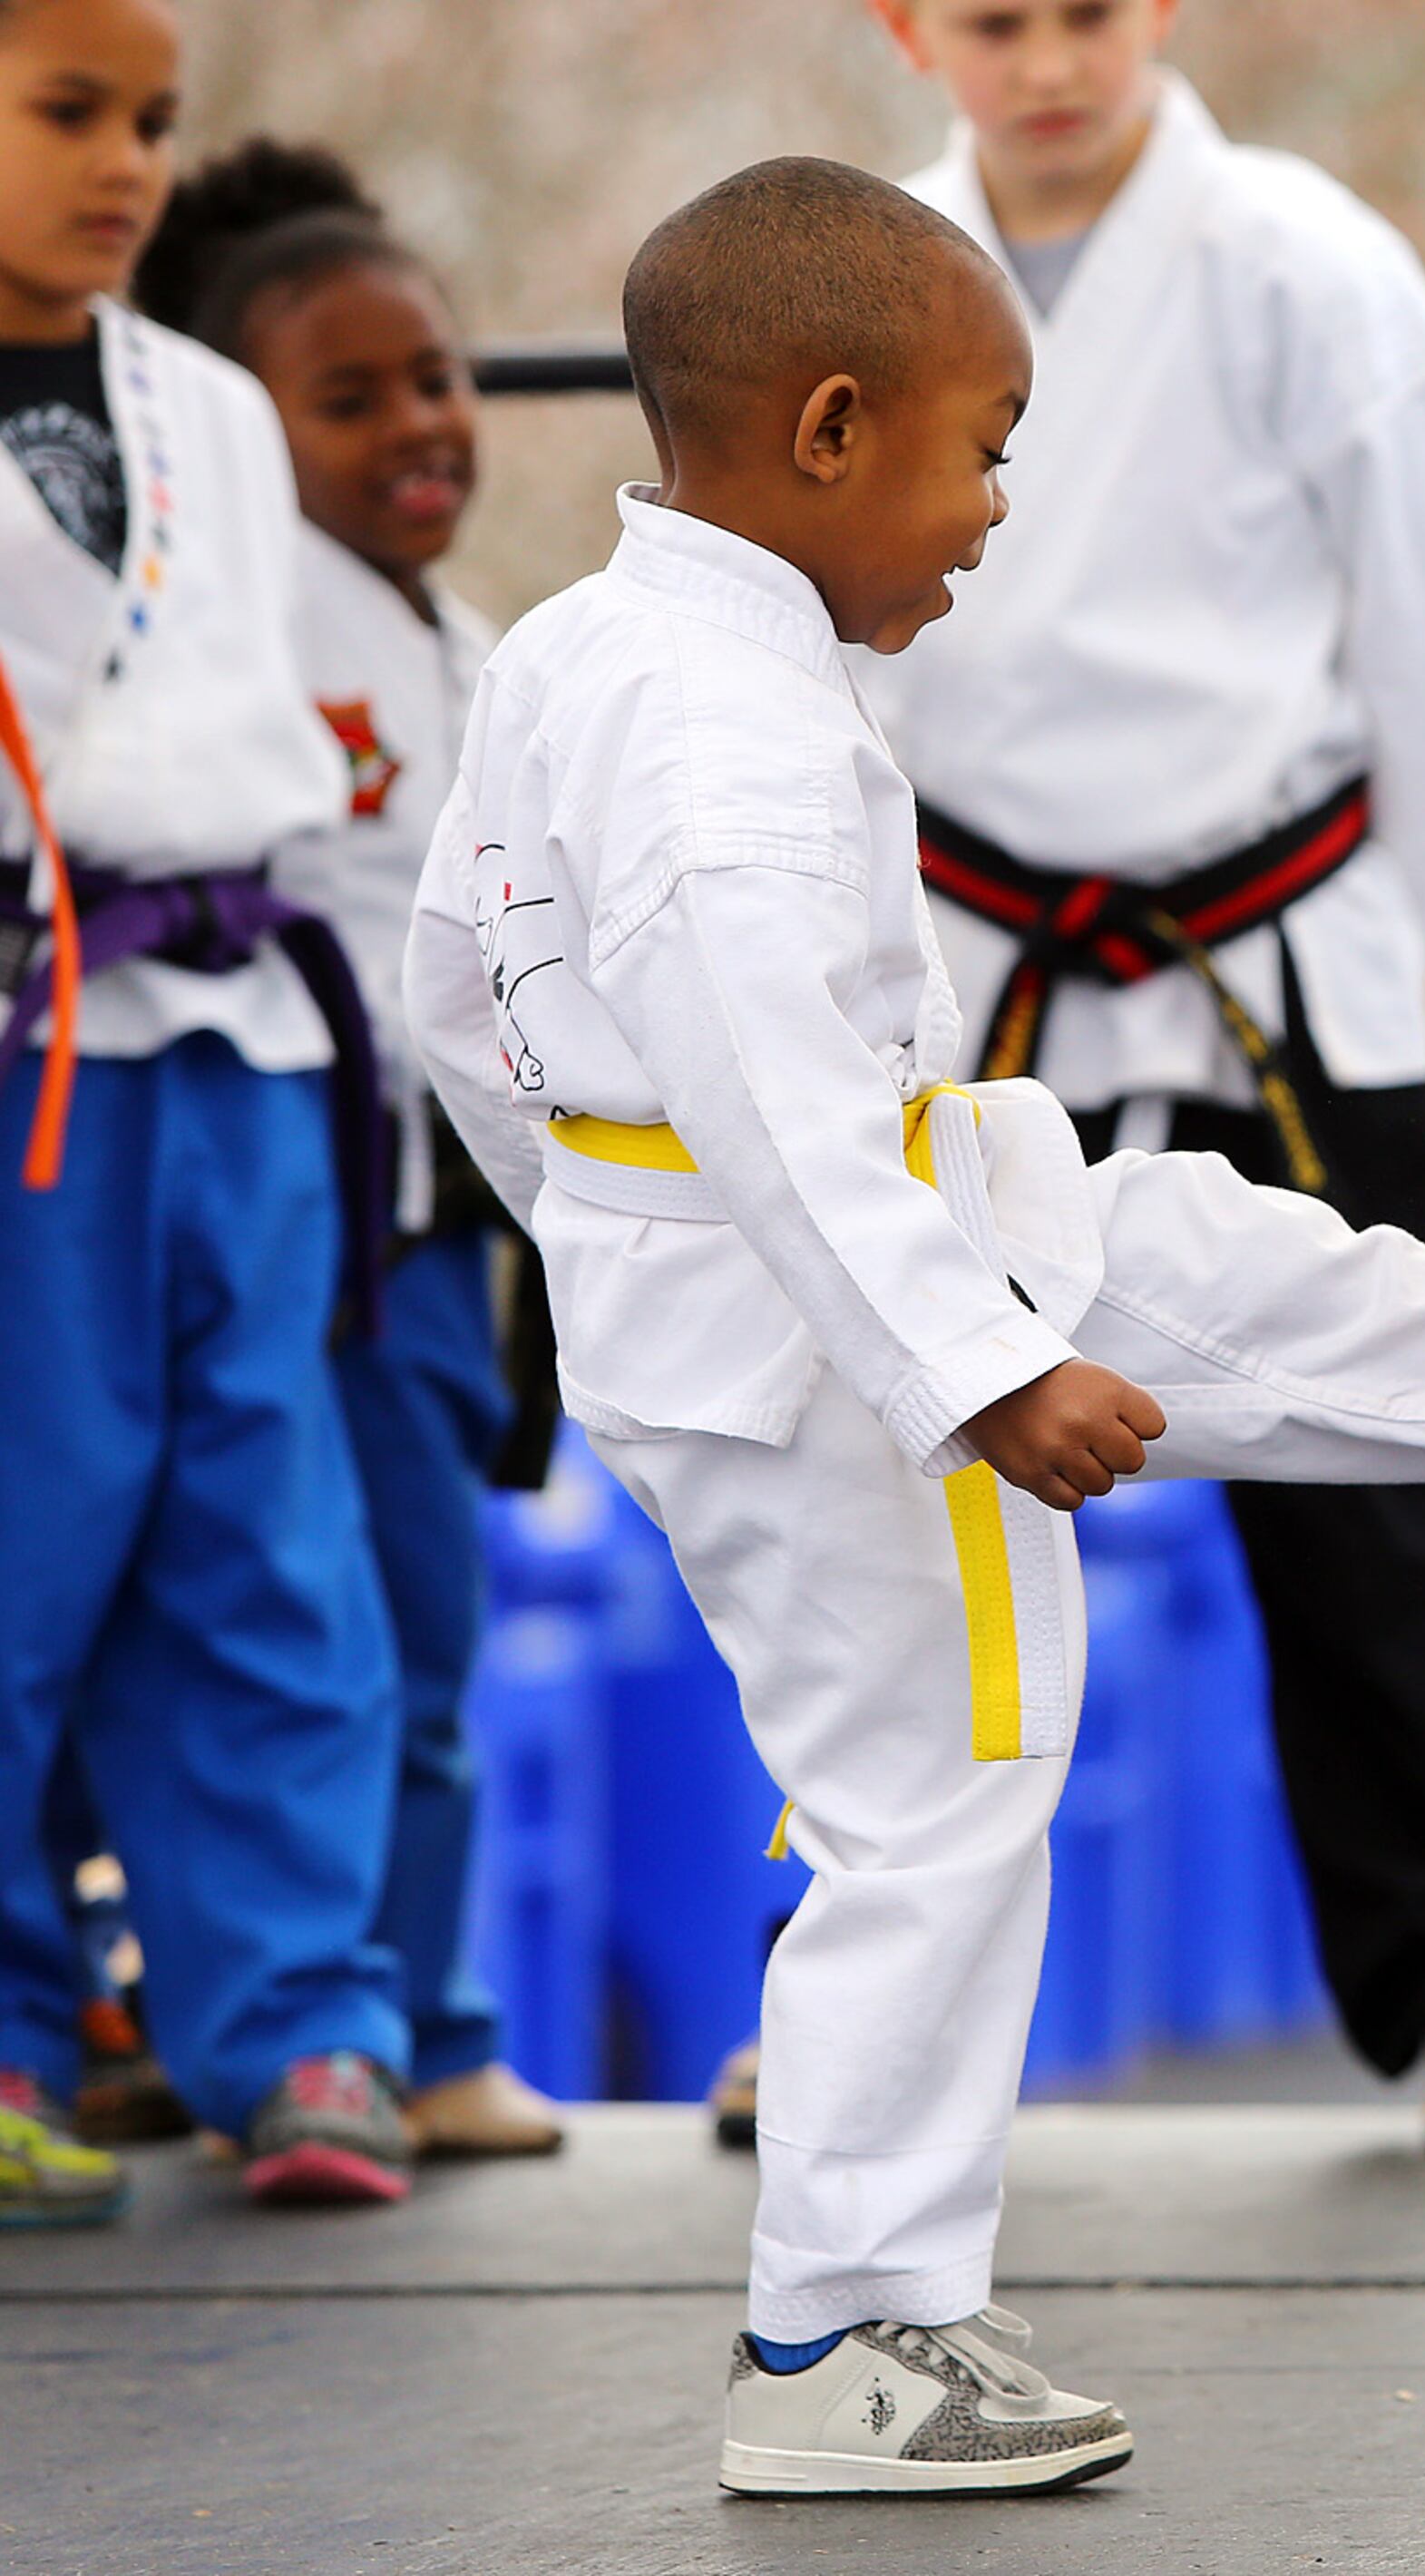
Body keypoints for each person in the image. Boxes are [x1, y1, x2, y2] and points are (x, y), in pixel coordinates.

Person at [401, 156, 1425, 2494]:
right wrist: (972, 1373)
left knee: (1245, 1267)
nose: (1001, 506)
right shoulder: (707, 730)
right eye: (985, 444)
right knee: (942, 1798)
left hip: (867, 1236)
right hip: (838, 1330)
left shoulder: (592, 648)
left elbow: (468, 1018)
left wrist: (607, 1234)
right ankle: (845, 2340)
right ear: (823, 432)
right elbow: (769, 1105)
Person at [853, 0, 1425, 2146]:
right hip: (976, 940)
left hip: (1273, 932)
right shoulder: (864, 266)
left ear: (1152, 11)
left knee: (1363, 1420)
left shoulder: (1301, 257)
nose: (1048, 60)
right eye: (994, 20)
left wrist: (1392, 932)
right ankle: (865, 1965)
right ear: (914, 30)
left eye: (1085, 10)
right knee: (912, 1441)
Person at [98, 139, 563, 2162]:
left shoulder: (469, 638)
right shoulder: (217, 619)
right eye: (350, 396)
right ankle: (269, 2011)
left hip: (424, 1229)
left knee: (417, 1626)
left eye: (440, 376)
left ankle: (417, 2016)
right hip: (271, 1202)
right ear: (218, 422)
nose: (422, 425)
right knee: (251, 1617)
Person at [0, 0, 417, 2220]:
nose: (125, 166)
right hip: (21, 1053)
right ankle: (9, 2039)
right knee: (16, 1536)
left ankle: (301, 2024)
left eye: (151, 122)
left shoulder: (218, 414)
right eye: (69, 113)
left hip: (240, 1037)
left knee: (268, 1532)